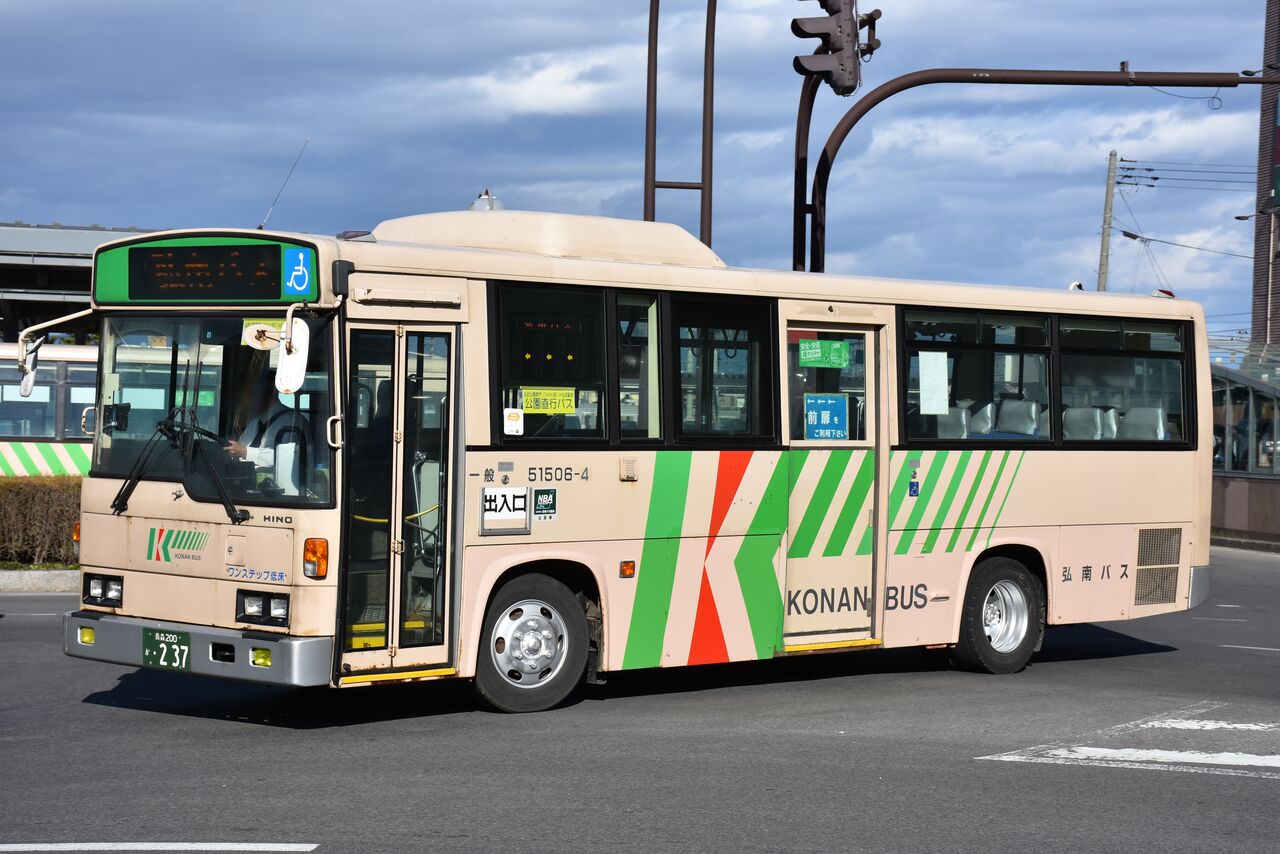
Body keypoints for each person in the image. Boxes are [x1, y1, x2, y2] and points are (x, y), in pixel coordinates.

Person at [224, 369, 310, 495]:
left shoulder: (293, 421)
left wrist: (244, 452)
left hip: (281, 495)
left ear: (268, 393)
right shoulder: (255, 422)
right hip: (251, 491)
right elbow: (239, 451)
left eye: (250, 393)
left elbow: (286, 458)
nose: (245, 400)